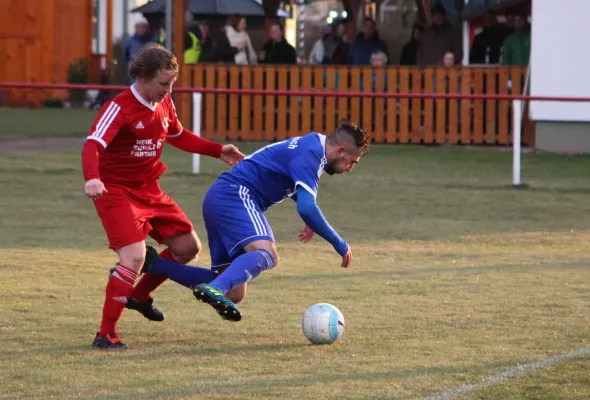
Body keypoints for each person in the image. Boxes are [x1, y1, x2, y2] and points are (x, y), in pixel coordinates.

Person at [81, 45, 245, 349]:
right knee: (133, 257)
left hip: (149, 189)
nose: (168, 90)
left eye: (171, 84)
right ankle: (106, 334)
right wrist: (92, 177)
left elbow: (178, 135)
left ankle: (139, 296)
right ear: (143, 77)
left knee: (187, 247)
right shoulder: (119, 107)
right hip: (115, 190)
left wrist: (217, 149)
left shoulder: (165, 103)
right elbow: (93, 144)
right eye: (163, 83)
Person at [137, 120, 370, 322]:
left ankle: (154, 264)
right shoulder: (311, 154)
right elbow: (307, 207)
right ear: (340, 150)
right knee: (267, 254)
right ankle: (215, 288)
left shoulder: (311, 145)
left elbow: (287, 182)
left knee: (234, 293)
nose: (349, 169)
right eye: (352, 161)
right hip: (235, 195)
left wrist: (308, 213)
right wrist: (340, 243)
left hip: (220, 197)